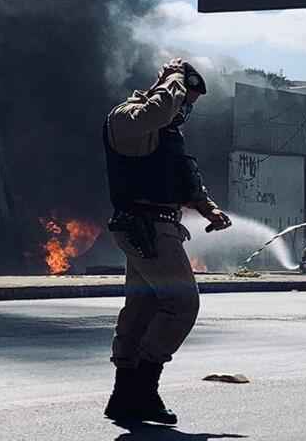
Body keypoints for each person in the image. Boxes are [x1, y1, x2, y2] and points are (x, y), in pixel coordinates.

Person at [101, 57, 232, 425]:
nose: (184, 107)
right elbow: (157, 112)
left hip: (162, 227)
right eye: (183, 98)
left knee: (141, 312)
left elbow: (181, 178)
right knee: (181, 304)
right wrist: (173, 77)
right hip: (142, 226)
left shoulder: (165, 133)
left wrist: (209, 210)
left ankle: (124, 396)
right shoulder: (127, 118)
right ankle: (142, 388)